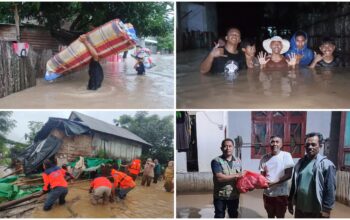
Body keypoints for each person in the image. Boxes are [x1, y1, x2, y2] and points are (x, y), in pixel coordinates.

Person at [288, 132, 336, 218]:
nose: (310, 147)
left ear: (320, 146)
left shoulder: (327, 165)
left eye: (313, 144)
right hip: (300, 209)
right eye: (307, 145)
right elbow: (294, 184)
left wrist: (327, 209)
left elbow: (330, 189)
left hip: (316, 210)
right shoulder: (300, 163)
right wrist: (290, 201)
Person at [259, 136, 294, 218]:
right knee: (270, 215)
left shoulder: (286, 156)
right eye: (272, 142)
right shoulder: (264, 158)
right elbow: (262, 175)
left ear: (281, 144)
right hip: (268, 193)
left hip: (281, 194)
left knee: (280, 216)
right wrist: (259, 183)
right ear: (269, 144)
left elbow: (289, 174)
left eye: (277, 142)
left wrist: (274, 183)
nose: (275, 144)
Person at [211, 138, 244, 218]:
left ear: (233, 148)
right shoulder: (216, 161)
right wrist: (236, 175)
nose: (228, 148)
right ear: (221, 148)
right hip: (220, 196)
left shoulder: (238, 161)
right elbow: (219, 178)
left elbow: (240, 178)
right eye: (225, 146)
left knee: (233, 215)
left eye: (230, 146)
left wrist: (246, 186)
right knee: (219, 215)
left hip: (234, 196)